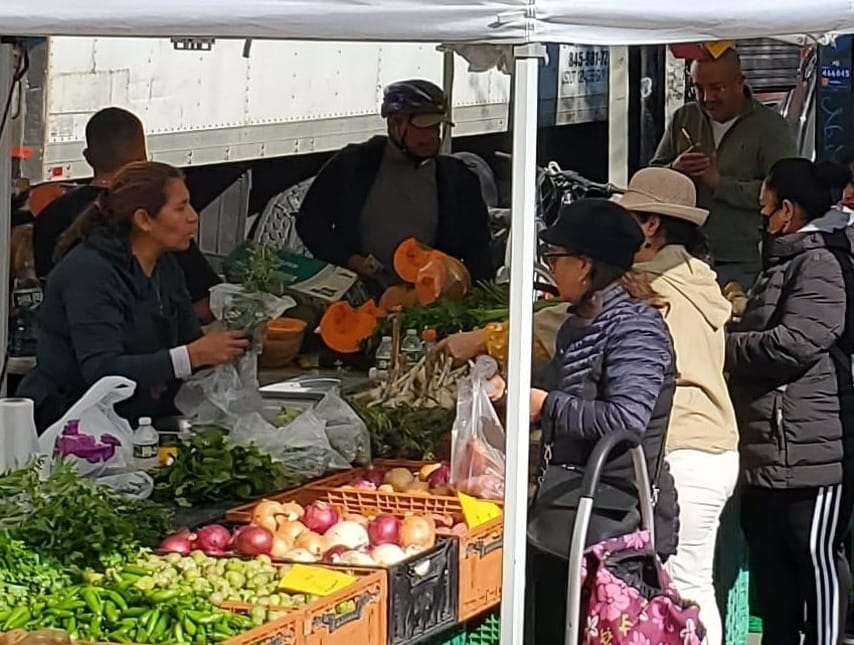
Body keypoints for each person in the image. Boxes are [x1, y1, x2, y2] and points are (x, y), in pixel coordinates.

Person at [520, 199, 677, 643]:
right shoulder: (576, 326)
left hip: (613, 521)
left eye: (556, 258)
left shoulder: (637, 330)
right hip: (566, 512)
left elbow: (627, 420)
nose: (551, 269)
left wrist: (545, 405)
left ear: (585, 266)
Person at [17, 162, 248, 433]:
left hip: (138, 423)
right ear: (143, 220)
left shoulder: (167, 266)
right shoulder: (90, 272)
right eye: (180, 207)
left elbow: (191, 342)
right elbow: (102, 369)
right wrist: (190, 356)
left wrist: (237, 341)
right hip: (72, 427)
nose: (193, 216)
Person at [727, 158, 854, 645]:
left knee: (814, 556)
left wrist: (726, 345)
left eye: (766, 208)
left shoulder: (822, 262)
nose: (762, 218)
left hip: (813, 448)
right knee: (773, 567)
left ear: (789, 210)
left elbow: (795, 342)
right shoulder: (784, 260)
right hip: (770, 446)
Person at [617, 168, 738, 645]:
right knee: (694, 579)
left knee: (685, 583)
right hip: (716, 447)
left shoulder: (654, 287)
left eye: (628, 216)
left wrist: (493, 336)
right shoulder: (700, 279)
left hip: (685, 450)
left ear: (650, 225)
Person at [296, 79, 493, 287]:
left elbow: (477, 248)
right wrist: (350, 260)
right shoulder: (354, 165)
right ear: (394, 124)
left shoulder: (458, 179)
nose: (432, 136)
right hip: (360, 294)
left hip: (428, 301)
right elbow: (310, 222)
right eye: (422, 127)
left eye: (436, 126)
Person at [32, 107, 220, 323]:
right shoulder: (153, 219)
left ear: (87, 157)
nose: (191, 216)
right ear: (144, 157)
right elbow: (204, 306)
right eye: (181, 207)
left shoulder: (48, 217)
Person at [650, 47, 796, 288]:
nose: (707, 98)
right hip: (680, 254)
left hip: (743, 259)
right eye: (698, 88)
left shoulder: (771, 128)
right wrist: (674, 170)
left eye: (718, 88)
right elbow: (652, 177)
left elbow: (785, 194)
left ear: (740, 83)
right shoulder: (684, 118)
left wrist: (720, 185)